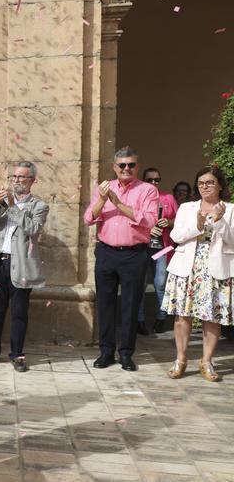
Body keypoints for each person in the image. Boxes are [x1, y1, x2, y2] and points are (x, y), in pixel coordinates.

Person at [84, 147, 159, 371]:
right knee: (105, 304)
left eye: (131, 165)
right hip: (106, 252)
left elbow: (149, 220)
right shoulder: (104, 188)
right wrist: (103, 199)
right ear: (114, 167)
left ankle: (126, 353)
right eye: (122, 165)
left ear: (137, 166)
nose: (127, 169)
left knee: (130, 304)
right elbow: (89, 218)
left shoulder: (147, 190)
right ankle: (106, 352)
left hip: (134, 254)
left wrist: (117, 203)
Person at [162, 166, 233, 382]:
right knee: (182, 315)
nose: (205, 187)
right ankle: (180, 359)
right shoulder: (187, 208)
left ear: (220, 185)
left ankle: (206, 361)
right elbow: (176, 235)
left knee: (211, 316)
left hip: (215, 268)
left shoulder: (229, 210)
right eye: (201, 183)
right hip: (187, 266)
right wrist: (198, 225)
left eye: (210, 182)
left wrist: (220, 221)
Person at [0, 162, 49, 372]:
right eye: (14, 177)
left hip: (21, 265)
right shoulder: (0, 200)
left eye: (22, 177)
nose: (16, 181)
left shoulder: (39, 205)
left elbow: (33, 229)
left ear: (32, 181)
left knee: (19, 312)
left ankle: (17, 354)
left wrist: (12, 207)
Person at [138, 168, 178, 335]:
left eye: (157, 179)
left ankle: (161, 318)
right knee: (139, 284)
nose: (154, 183)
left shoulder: (167, 198)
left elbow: (179, 220)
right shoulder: (139, 197)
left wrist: (168, 222)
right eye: (150, 180)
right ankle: (139, 320)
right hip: (141, 247)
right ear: (143, 181)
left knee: (160, 283)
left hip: (162, 247)